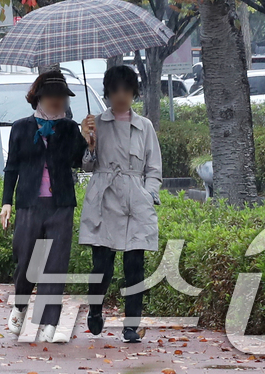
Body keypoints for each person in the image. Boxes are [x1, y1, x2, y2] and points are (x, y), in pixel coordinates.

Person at [0, 69, 88, 342]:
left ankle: (50, 321)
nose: (57, 101)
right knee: (27, 260)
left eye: (62, 96)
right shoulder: (21, 128)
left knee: (55, 264)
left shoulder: (70, 128)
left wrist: (86, 138)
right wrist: (7, 203)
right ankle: (21, 304)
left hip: (61, 205)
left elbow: (77, 162)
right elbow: (11, 167)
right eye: (51, 95)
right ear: (39, 97)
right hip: (29, 203)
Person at [79, 64, 163, 344]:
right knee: (102, 266)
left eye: (126, 89)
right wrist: (89, 144)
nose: (121, 95)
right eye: (115, 90)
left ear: (134, 92)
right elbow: (87, 167)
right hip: (104, 201)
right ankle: (95, 309)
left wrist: (148, 195)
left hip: (136, 204)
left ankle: (131, 325)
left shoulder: (145, 126)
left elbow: (154, 169)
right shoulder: (96, 123)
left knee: (134, 266)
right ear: (108, 92)